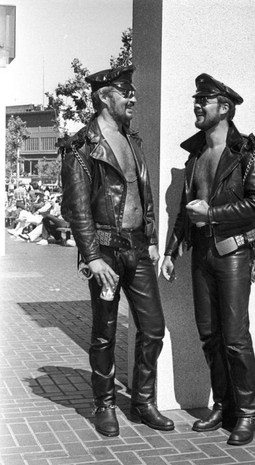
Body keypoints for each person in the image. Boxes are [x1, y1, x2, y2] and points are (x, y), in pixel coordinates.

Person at [60, 64, 174, 438]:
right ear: (105, 97)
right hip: (105, 252)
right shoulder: (81, 147)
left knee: (153, 328)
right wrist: (92, 257)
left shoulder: (132, 141)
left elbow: (145, 193)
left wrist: (153, 237)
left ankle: (142, 402)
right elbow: (76, 208)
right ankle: (104, 403)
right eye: (127, 92)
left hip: (138, 248)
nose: (133, 98)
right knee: (104, 332)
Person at [161, 73, 255, 446]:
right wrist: (170, 251)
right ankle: (223, 405)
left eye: (203, 100)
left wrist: (211, 214)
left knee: (236, 337)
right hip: (202, 254)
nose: (196, 105)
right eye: (196, 99)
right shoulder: (195, 156)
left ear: (223, 108)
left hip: (235, 253)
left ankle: (248, 413)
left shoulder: (248, 153)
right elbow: (183, 210)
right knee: (209, 335)